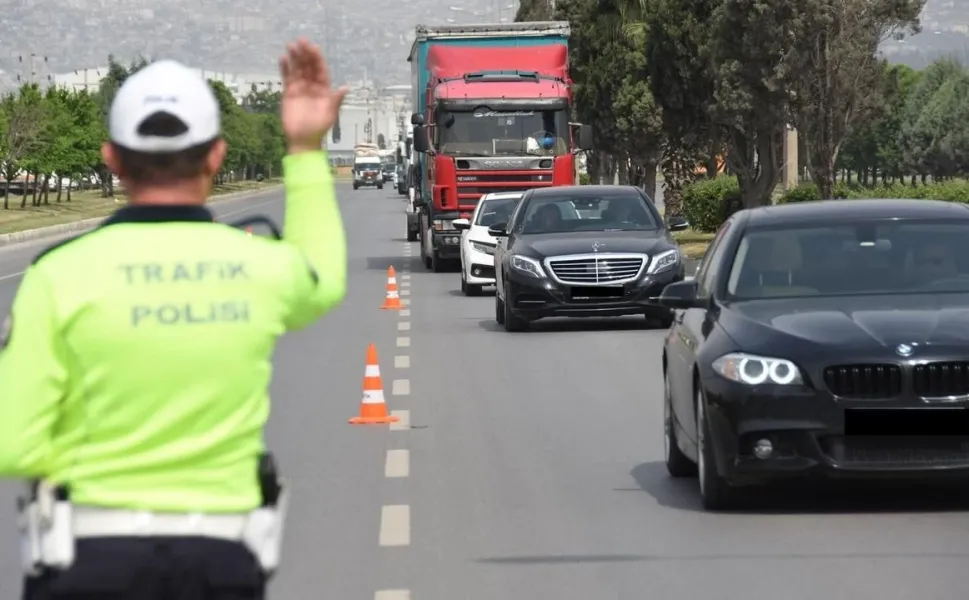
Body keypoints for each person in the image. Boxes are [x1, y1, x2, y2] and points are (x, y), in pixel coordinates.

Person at [0, 38, 349, 599]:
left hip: (89, 559)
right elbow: (322, 276)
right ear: (216, 156)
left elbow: (15, 443)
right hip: (221, 562)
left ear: (111, 159)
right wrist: (305, 148)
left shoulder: (57, 276)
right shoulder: (258, 265)